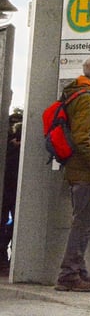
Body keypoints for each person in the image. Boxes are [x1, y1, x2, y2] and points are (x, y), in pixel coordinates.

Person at [54, 56, 90, 293]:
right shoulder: (87, 98)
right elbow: (82, 137)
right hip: (85, 172)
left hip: (77, 170)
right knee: (83, 225)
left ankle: (81, 273)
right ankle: (69, 275)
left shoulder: (76, 93)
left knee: (84, 223)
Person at [1, 111, 22, 268]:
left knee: (10, 221)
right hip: (13, 186)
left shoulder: (8, 143)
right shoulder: (13, 147)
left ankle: (4, 256)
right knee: (15, 221)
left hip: (10, 186)